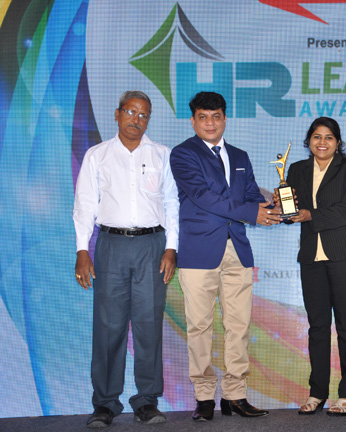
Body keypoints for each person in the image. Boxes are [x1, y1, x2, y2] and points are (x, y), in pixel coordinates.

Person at [170, 91, 282, 421]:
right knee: (199, 327)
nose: (210, 123)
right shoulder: (183, 154)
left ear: (225, 118)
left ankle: (235, 395)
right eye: (203, 117)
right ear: (193, 121)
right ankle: (204, 396)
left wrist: (274, 205)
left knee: (239, 325)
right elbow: (204, 197)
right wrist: (251, 211)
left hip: (238, 250)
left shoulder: (240, 155)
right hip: (199, 251)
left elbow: (251, 196)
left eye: (216, 116)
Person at [73, 91, 179, 428]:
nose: (136, 119)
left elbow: (172, 203)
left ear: (149, 120)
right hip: (111, 245)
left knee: (148, 325)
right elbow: (84, 205)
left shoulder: (162, 154)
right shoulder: (97, 155)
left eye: (143, 114)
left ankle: (147, 401)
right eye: (131, 112)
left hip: (152, 246)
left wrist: (171, 248)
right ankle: (105, 403)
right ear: (117, 114)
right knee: (109, 326)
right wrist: (82, 251)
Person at [281, 117, 346, 416]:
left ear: (338, 142)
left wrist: (309, 215)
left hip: (345, 255)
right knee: (317, 327)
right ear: (309, 141)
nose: (322, 142)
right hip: (311, 257)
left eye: (329, 137)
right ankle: (317, 391)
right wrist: (284, 209)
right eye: (317, 137)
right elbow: (292, 211)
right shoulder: (297, 169)